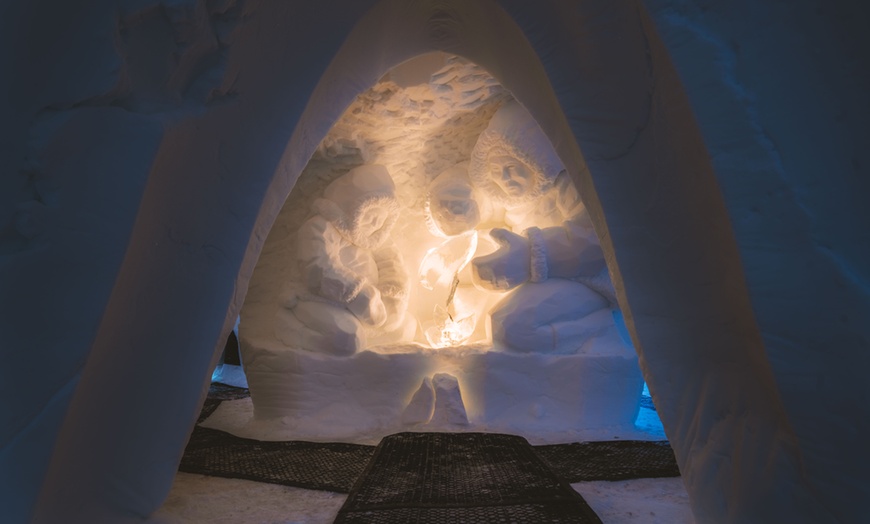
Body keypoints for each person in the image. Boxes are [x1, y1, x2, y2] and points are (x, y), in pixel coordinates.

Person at [467, 100, 619, 353]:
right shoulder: (513, 203)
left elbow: (594, 240)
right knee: (497, 320)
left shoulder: (568, 186)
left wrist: (528, 254)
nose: (505, 178)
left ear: (535, 161)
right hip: (549, 281)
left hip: (589, 282)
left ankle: (610, 329)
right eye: (496, 171)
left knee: (512, 325)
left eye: (512, 168)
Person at [274, 164, 414, 355]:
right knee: (348, 340)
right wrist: (359, 294)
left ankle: (373, 363)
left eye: (380, 218)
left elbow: (392, 264)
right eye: (370, 215)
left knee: (405, 327)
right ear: (352, 207)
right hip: (320, 300)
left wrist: (393, 296)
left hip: (368, 310)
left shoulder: (374, 237)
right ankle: (292, 329)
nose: (375, 223)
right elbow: (318, 269)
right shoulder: (320, 228)